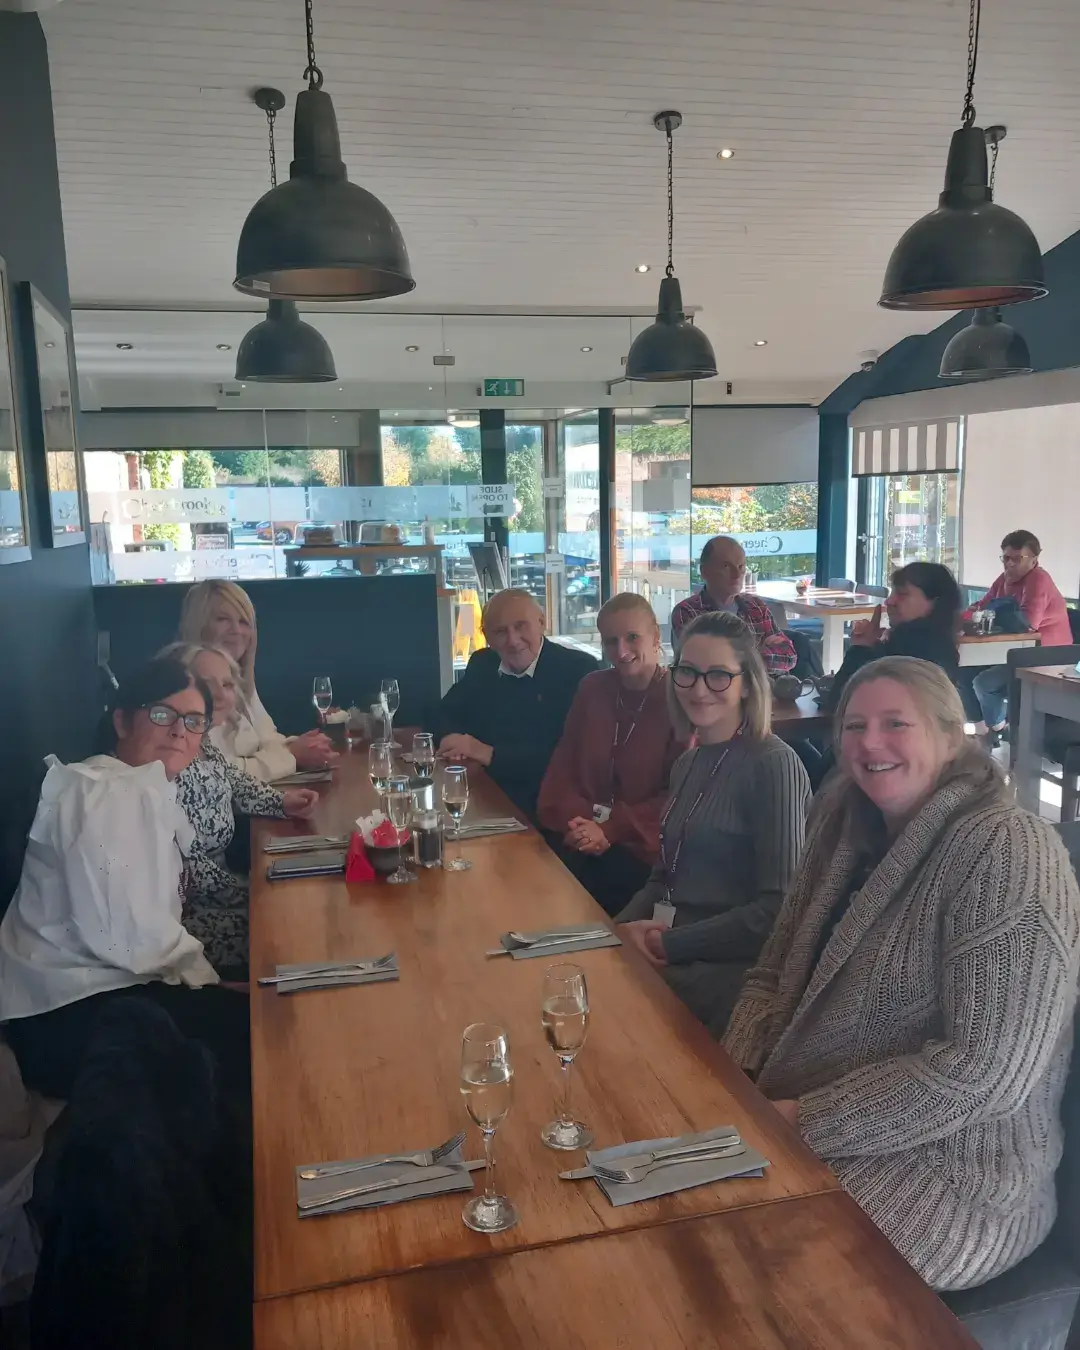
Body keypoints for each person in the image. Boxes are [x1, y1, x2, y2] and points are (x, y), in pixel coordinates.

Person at [724, 657, 1080, 1292]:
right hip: (797, 1114)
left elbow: (986, 1075)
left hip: (954, 1179)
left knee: (744, 1265)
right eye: (855, 724)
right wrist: (736, 1078)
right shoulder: (843, 825)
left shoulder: (1008, 847)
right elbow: (770, 973)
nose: (870, 742)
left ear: (951, 737)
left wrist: (800, 1121)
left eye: (896, 723)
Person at [0, 657, 252, 1102]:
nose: (179, 730)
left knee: (253, 1015)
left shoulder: (141, 788)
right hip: (65, 1016)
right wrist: (205, 980)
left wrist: (204, 983)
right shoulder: (104, 791)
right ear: (121, 720)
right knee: (260, 1036)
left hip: (107, 990)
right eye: (162, 714)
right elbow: (127, 938)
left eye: (193, 721)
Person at [615, 611, 810, 1036]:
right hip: (672, 952)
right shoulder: (689, 762)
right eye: (688, 672)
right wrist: (614, 933)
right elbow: (663, 877)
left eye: (718, 675)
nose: (699, 689)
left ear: (747, 684)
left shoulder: (774, 764)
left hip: (729, 975)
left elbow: (778, 911)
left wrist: (666, 944)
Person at [159, 643, 319, 976]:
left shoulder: (201, 742)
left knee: (303, 912)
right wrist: (253, 891)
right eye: (205, 683)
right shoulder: (170, 757)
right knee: (290, 930)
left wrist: (281, 802)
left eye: (227, 684)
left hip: (224, 893)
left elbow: (234, 780)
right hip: (186, 918)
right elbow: (190, 865)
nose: (218, 694)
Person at [537, 593, 685, 915]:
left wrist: (611, 829)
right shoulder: (592, 688)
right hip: (583, 837)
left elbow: (679, 796)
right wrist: (584, 827)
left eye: (633, 638)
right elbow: (563, 769)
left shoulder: (681, 697)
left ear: (656, 637)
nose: (621, 651)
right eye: (610, 641)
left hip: (645, 850)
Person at [433, 588, 599, 819]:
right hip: (485, 796)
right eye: (500, 631)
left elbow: (566, 758)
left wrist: (486, 752)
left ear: (542, 623)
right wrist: (450, 737)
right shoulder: (483, 664)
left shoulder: (579, 670)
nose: (512, 640)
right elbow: (443, 712)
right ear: (487, 637)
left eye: (520, 626)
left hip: (548, 811)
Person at [178, 579, 336, 780]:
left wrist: (306, 746)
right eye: (223, 619)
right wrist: (292, 754)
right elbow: (219, 772)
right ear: (199, 624)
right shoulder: (185, 686)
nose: (236, 630)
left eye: (244, 622)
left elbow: (268, 739)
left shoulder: (242, 683)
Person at [968, 531, 1073, 741]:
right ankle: (984, 731)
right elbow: (981, 606)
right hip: (1016, 651)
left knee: (984, 683)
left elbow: (1027, 623)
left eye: (1018, 559)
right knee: (964, 674)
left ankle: (1001, 729)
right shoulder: (1005, 578)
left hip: (1049, 656)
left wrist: (990, 614)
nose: (1010, 564)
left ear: (1034, 560)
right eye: (1006, 558)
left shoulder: (1038, 579)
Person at [824, 561, 961, 711]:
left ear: (935, 602)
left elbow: (841, 705)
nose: (889, 601)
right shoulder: (942, 645)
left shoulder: (910, 646)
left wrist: (861, 648)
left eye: (902, 594)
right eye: (892, 593)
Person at [671, 535, 796, 673]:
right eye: (726, 566)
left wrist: (735, 657)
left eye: (741, 566)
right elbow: (705, 665)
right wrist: (758, 654)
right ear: (704, 571)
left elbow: (789, 656)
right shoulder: (687, 612)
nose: (737, 574)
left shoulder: (756, 606)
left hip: (764, 692)